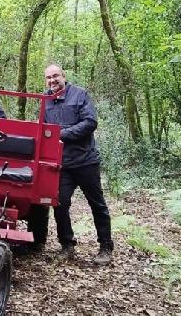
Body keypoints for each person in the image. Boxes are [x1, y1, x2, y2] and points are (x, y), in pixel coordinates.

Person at [36, 64, 113, 265]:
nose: (52, 80)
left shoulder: (80, 95)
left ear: (63, 76)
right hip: (61, 164)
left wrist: (62, 134)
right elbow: (42, 130)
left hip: (85, 160)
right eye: (48, 78)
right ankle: (67, 245)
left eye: (55, 76)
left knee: (97, 204)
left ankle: (105, 247)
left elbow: (90, 122)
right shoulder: (45, 101)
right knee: (59, 204)